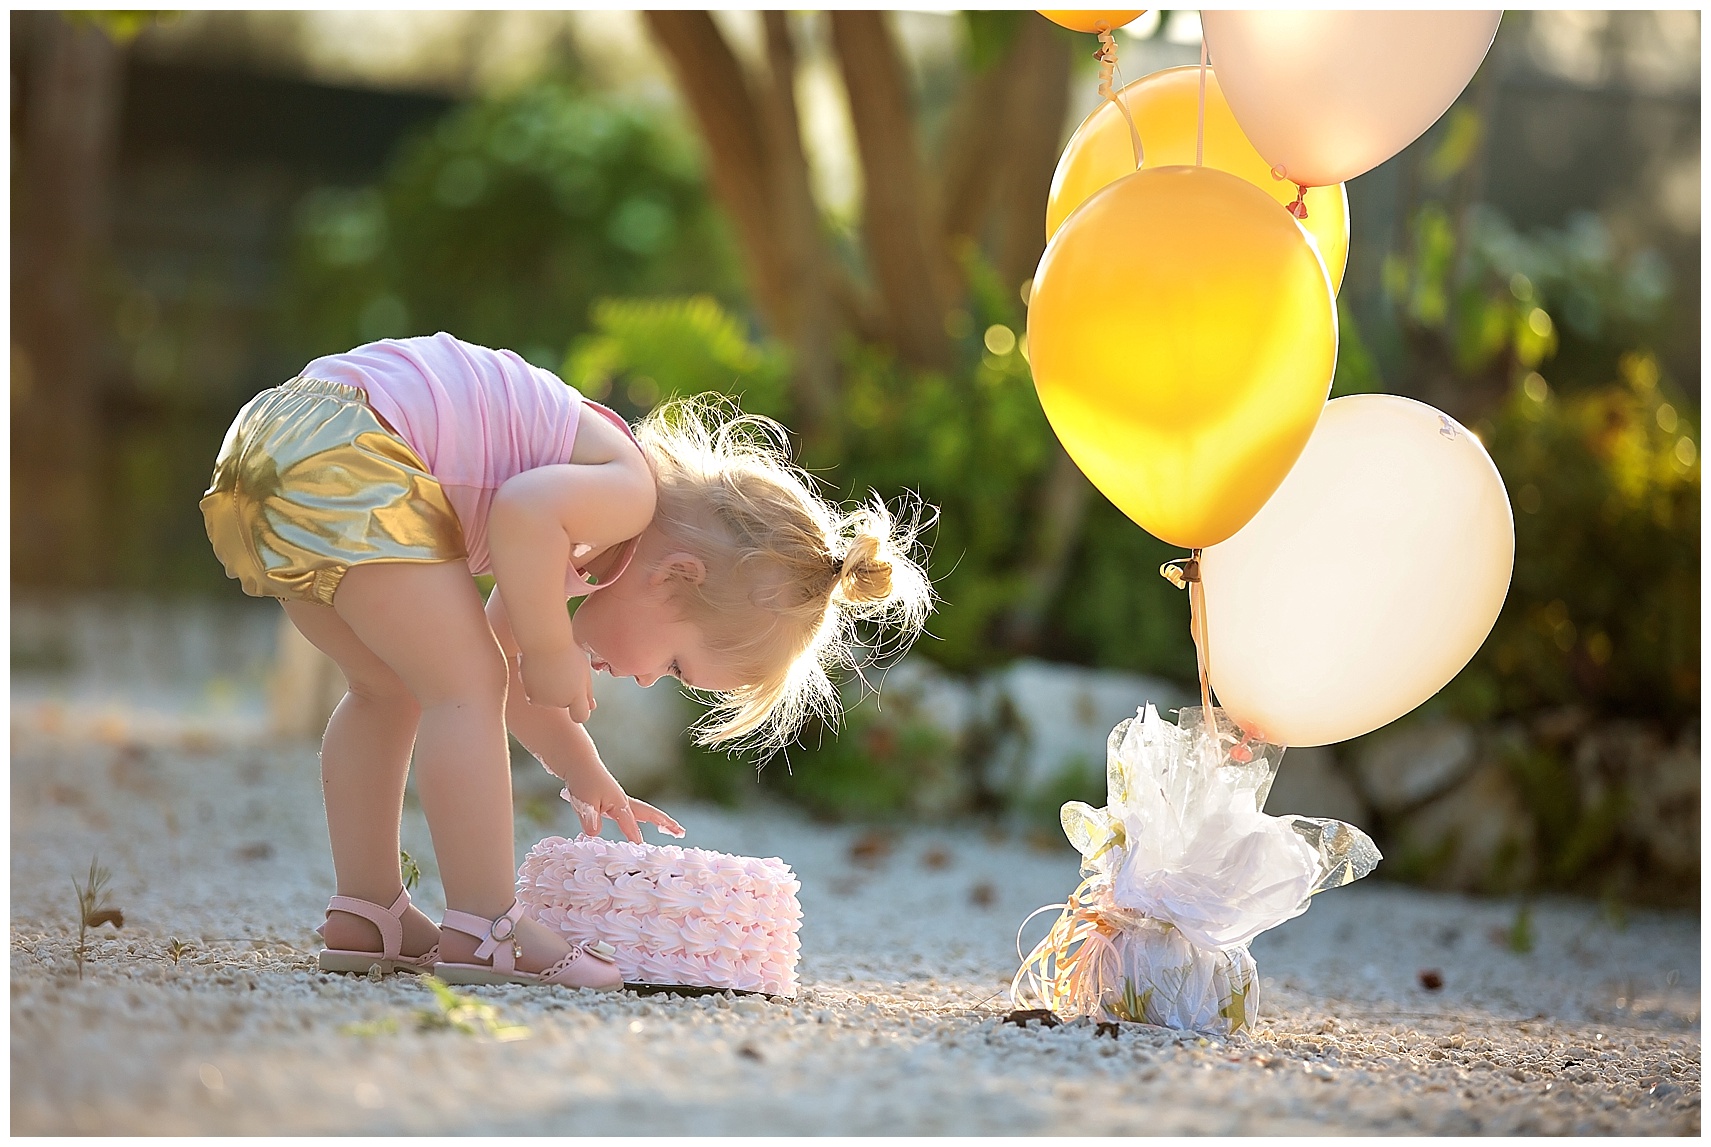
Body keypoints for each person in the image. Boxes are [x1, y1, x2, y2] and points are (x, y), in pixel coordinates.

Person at [200, 333, 932, 989]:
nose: (648, 679)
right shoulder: (624, 492)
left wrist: (582, 767)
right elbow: (519, 515)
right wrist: (551, 646)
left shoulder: (573, 536)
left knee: (389, 685)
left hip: (277, 446)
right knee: (464, 682)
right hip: (351, 449)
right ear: (675, 576)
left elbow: (514, 665)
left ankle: (369, 913)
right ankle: (487, 929)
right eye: (675, 664)